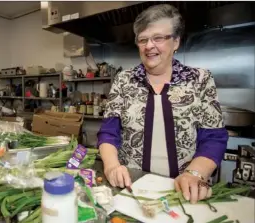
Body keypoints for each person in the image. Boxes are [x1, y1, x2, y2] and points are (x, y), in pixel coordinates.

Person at [97, 4, 228, 204]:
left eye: (158, 38)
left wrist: (195, 173)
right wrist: (112, 166)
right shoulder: (124, 80)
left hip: (183, 192)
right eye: (143, 39)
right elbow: (108, 132)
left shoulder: (199, 79)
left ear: (176, 41)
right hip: (131, 187)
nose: (149, 46)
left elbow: (213, 138)